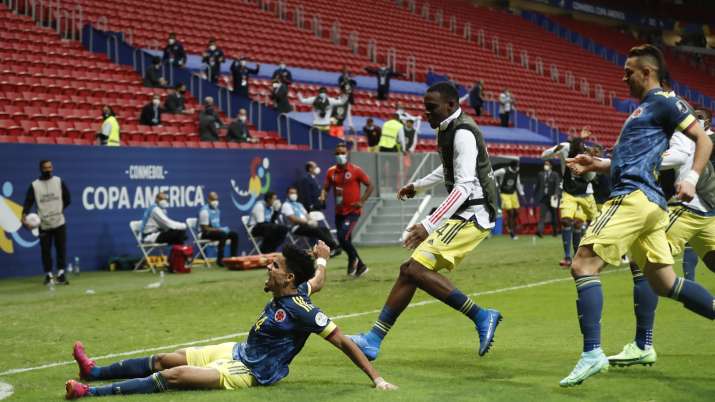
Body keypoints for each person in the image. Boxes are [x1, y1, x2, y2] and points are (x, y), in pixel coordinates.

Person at [559, 44, 714, 387]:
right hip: (651, 205)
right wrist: (596, 164)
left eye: (629, 71)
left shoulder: (663, 101)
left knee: (583, 264)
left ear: (648, 73)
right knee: (664, 283)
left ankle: (592, 353)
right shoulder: (642, 111)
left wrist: (690, 179)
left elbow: (703, 139)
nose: (623, 76)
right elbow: (632, 161)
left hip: (634, 198)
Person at [64, 242, 397, 399]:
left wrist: (377, 379)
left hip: (249, 371)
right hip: (238, 350)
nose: (269, 266)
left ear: (288, 277)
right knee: (165, 357)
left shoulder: (302, 309)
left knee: (174, 374)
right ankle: (92, 371)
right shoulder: (296, 290)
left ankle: (90, 392)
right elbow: (318, 281)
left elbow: (341, 340)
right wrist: (322, 260)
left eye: (276, 266)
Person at [349, 82, 502, 361]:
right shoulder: (448, 130)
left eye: (431, 109)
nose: (426, 115)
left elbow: (464, 186)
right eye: (425, 109)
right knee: (409, 270)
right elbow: (448, 171)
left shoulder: (464, 133)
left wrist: (428, 224)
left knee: (416, 268)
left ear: (451, 105)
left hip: (474, 212)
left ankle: (482, 316)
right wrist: (417, 186)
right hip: (464, 212)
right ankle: (373, 339)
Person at [607, 101, 715, 368]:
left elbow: (678, 155)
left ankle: (643, 345)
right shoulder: (701, 135)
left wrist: (648, 159)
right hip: (707, 212)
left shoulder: (680, 129)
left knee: (644, 264)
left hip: (685, 209)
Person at [542, 136, 598, 267]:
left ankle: (587, 254)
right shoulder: (565, 148)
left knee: (584, 224)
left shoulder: (586, 155)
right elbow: (545, 155)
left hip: (586, 193)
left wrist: (589, 164)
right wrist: (552, 151)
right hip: (568, 192)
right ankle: (567, 257)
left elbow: (591, 177)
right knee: (566, 220)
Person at [320, 143, 374, 276]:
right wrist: (323, 196)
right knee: (346, 240)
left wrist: (361, 201)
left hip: (352, 212)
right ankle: (359, 266)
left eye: (343, 153)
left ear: (347, 154)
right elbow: (326, 188)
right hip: (339, 212)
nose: (340, 156)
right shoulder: (331, 172)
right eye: (338, 153)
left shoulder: (356, 170)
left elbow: (370, 185)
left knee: (341, 237)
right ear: (334, 155)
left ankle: (356, 262)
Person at [22, 160, 70, 285]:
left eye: (50, 167)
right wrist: (24, 215)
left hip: (59, 222)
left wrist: (59, 209)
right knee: (45, 251)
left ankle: (61, 274)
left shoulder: (59, 181)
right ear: (41, 169)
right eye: (45, 168)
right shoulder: (35, 185)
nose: (48, 170)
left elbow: (68, 198)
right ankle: (49, 275)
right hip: (44, 224)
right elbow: (28, 202)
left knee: (61, 249)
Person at [281, 187, 339, 252]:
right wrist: (307, 222)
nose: (293, 194)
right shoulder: (286, 205)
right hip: (296, 227)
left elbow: (307, 215)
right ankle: (333, 246)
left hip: (306, 225)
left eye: (295, 193)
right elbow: (293, 218)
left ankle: (328, 249)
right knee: (316, 230)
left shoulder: (299, 204)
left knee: (325, 229)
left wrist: (311, 220)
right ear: (287, 194)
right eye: (291, 193)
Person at [198, 192, 239, 267]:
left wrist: (221, 229)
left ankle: (233, 258)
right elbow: (205, 228)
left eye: (216, 199)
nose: (215, 202)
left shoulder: (217, 210)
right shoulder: (204, 211)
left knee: (234, 234)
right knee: (222, 235)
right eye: (213, 199)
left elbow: (217, 225)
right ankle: (220, 260)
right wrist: (219, 230)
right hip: (206, 233)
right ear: (209, 200)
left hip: (216, 231)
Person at [493, 160, 525, 239]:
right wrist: (496, 184)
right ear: (512, 166)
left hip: (513, 194)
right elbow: (492, 174)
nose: (518, 167)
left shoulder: (516, 172)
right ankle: (511, 232)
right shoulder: (503, 171)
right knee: (510, 212)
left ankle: (511, 225)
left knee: (516, 212)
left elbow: (518, 183)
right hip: (504, 194)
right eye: (517, 166)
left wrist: (522, 194)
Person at [534, 160, 560, 237]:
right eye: (545, 164)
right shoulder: (540, 174)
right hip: (543, 198)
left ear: (551, 166)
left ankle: (555, 232)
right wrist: (535, 196)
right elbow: (537, 186)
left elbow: (557, 185)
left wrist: (556, 194)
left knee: (554, 216)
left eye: (547, 164)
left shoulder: (555, 174)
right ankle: (540, 231)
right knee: (542, 216)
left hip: (553, 198)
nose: (546, 166)